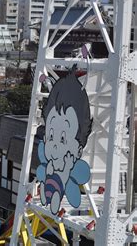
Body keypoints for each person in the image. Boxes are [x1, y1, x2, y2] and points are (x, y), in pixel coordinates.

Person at [37, 65, 92, 215]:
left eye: (62, 139)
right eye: (51, 136)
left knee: (55, 192)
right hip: (51, 180)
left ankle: (53, 198)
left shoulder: (68, 164)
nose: (54, 145)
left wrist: (67, 165)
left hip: (59, 185)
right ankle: (46, 194)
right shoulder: (51, 160)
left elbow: (68, 174)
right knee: (48, 187)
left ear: (79, 149)